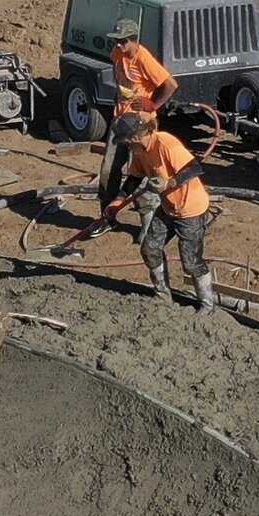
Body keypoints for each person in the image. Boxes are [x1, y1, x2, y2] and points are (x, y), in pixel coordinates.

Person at [95, 111, 218, 312]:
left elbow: (195, 168)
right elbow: (134, 179)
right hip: (168, 208)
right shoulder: (140, 152)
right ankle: (163, 296)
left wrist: (169, 182)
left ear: (134, 137)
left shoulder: (165, 144)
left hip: (190, 209)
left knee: (191, 262)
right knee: (150, 248)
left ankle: (207, 304)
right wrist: (118, 200)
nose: (125, 145)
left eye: (125, 141)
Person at [100, 19, 177, 203]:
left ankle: (148, 213)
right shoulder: (117, 52)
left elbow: (170, 84)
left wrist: (152, 104)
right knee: (109, 168)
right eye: (116, 41)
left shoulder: (144, 59)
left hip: (139, 124)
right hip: (119, 120)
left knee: (144, 168)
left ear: (134, 39)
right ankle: (107, 211)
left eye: (123, 41)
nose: (119, 45)